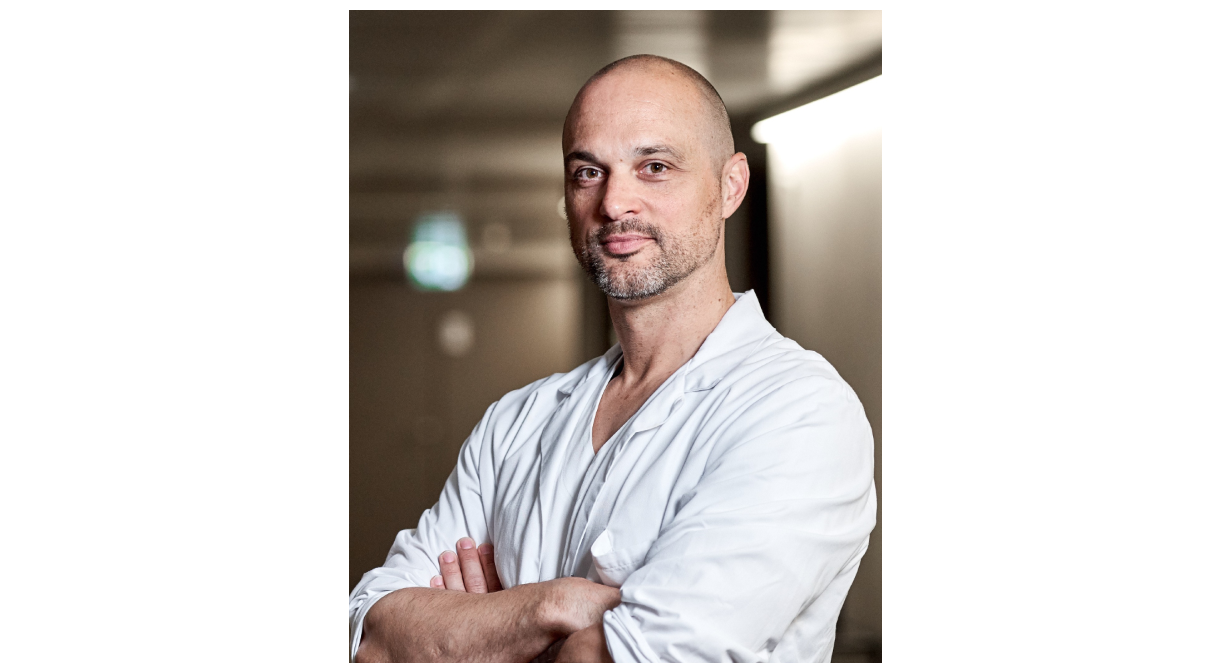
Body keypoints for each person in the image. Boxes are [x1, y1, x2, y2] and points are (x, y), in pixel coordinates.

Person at [349, 54, 877, 663]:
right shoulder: (514, 423)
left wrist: (476, 630)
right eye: (588, 172)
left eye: (654, 167)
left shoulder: (799, 413)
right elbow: (372, 635)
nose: (614, 202)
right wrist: (551, 607)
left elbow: (631, 658)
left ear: (730, 186)